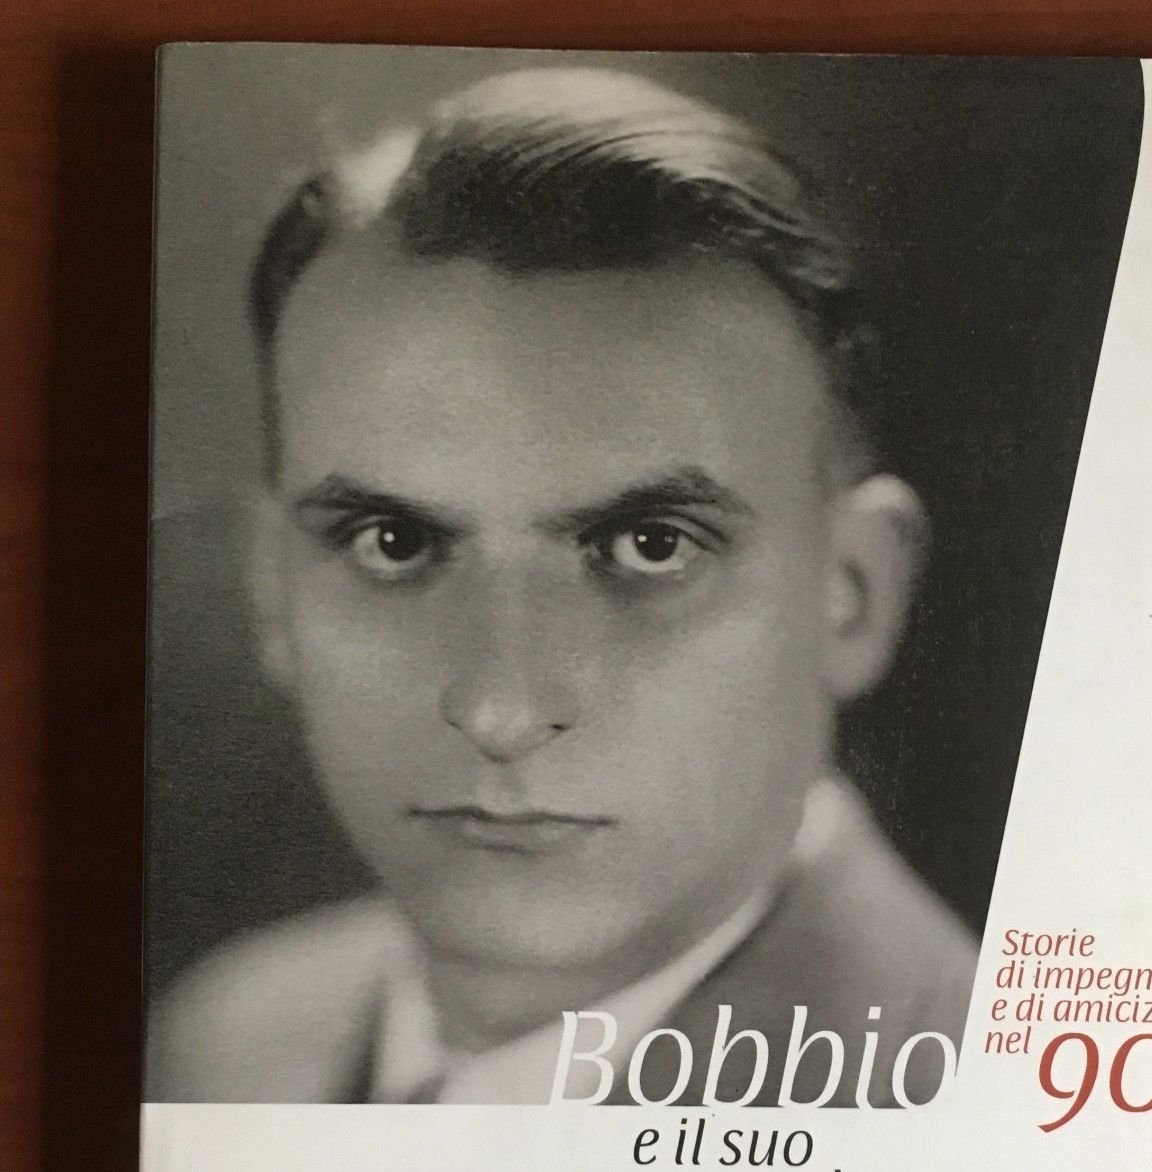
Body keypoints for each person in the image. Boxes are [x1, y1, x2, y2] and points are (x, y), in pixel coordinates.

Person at [147, 66, 978, 1106]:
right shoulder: (229, 1038)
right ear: (272, 590)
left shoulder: (981, 1114)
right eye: (394, 541)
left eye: (650, 546)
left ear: (851, 595)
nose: (500, 709)